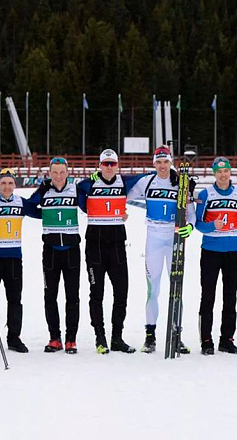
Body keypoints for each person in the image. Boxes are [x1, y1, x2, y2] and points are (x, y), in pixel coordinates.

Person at [125, 146, 195, 354]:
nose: (162, 166)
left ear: (171, 162)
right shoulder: (146, 182)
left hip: (174, 239)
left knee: (176, 290)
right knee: (152, 290)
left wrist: (189, 227)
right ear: (153, 164)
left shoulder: (181, 183)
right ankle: (150, 336)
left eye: (165, 162)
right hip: (154, 239)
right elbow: (121, 194)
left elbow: (190, 213)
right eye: (158, 162)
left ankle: (176, 334)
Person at [76, 149, 144, 354]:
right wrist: (88, 179)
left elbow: (147, 177)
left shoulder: (123, 181)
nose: (109, 167)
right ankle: (100, 338)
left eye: (112, 164)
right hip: (95, 245)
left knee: (121, 291)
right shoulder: (89, 184)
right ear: (99, 165)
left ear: (117, 165)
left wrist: (174, 174)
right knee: (97, 293)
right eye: (105, 164)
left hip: (116, 245)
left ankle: (117, 337)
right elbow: (78, 193)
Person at [0, 168, 41, 353]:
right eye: (3, 183)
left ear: (15, 185)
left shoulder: (21, 202)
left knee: (15, 299)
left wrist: (43, 189)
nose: (7, 187)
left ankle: (14, 338)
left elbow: (39, 212)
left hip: (14, 258)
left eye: (10, 183)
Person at [194, 156, 237, 355]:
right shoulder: (206, 194)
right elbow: (197, 223)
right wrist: (211, 226)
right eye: (219, 172)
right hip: (210, 251)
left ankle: (226, 339)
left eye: (226, 171)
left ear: (230, 172)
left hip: (233, 252)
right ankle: (206, 340)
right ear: (214, 174)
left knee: (230, 297)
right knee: (207, 296)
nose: (223, 175)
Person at [26, 157, 82, 354]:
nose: (58, 176)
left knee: (72, 296)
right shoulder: (44, 190)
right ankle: (54, 337)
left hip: (71, 250)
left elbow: (88, 205)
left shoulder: (75, 189)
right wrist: (43, 213)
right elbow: (28, 206)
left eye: (62, 172)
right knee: (50, 295)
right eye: (54, 172)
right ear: (49, 173)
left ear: (68, 172)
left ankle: (71, 339)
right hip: (50, 251)